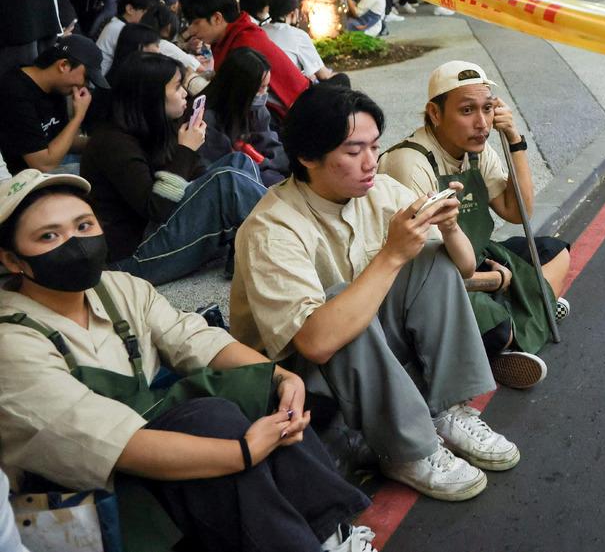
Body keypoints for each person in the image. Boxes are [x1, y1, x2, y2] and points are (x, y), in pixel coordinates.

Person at [0, 170, 377, 552]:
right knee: (211, 420)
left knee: (260, 392)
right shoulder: (10, 343)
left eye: (84, 225)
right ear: (13, 260)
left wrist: (280, 379)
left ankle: (331, 533)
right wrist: (241, 453)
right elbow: (105, 443)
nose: (75, 243)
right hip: (89, 490)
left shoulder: (118, 288)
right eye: (49, 236)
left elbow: (192, 339)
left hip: (152, 448)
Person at [230, 84, 519, 502]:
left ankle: (447, 409)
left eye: (374, 147)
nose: (370, 163)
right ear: (308, 157)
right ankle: (407, 450)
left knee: (430, 259)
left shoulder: (379, 190)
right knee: (340, 301)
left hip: (370, 351)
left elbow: (463, 269)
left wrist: (450, 226)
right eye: (353, 151)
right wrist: (391, 255)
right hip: (301, 378)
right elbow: (316, 341)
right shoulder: (271, 228)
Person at [379, 62, 572, 389]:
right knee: (499, 330)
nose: (481, 123)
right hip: (434, 276)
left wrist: (514, 140)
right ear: (435, 113)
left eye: (487, 108)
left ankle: (515, 327)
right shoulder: (410, 163)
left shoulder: (477, 151)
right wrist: (496, 280)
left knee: (557, 253)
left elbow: (518, 211)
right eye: (467, 110)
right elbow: (419, 270)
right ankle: (525, 319)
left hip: (478, 255)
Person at [79, 52, 267, 284]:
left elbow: (197, 180)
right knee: (227, 180)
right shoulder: (112, 142)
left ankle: (257, 247)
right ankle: (280, 246)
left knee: (238, 162)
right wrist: (185, 150)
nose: (185, 93)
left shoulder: (157, 125)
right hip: (133, 257)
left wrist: (189, 153)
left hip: (158, 231)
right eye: (177, 87)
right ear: (151, 96)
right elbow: (155, 208)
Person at [183, 0, 311, 119]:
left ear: (217, 18)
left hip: (287, 115)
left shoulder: (245, 43)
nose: (191, 31)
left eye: (196, 23)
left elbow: (231, 99)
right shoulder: (229, 38)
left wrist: (192, 82)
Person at [0, 35, 99, 174]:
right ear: (63, 65)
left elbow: (60, 141)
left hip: (51, 163)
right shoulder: (14, 91)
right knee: (100, 175)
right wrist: (78, 117)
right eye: (86, 78)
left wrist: (103, 142)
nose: (85, 85)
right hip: (24, 179)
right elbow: (43, 165)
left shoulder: (57, 88)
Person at [201, 48, 289, 186]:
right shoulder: (208, 119)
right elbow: (222, 168)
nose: (264, 94)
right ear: (240, 88)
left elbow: (272, 147)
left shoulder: (257, 111)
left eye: (266, 87)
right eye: (260, 87)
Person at [264, 0, 341, 78]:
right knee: (341, 78)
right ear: (293, 13)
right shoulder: (298, 35)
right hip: (291, 88)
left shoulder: (260, 31)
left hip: (266, 86)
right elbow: (323, 75)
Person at [96, 0, 155, 76]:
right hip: (100, 82)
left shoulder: (116, 23)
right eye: (144, 12)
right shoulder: (121, 29)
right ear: (130, 9)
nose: (146, 17)